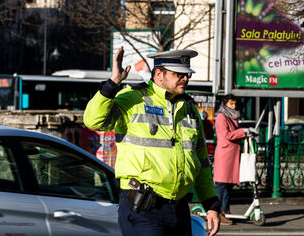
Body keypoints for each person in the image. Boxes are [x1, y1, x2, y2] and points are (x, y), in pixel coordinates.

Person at [84, 47, 220, 236]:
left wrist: (211, 204)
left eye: (187, 75)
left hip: (179, 207)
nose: (185, 79)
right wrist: (112, 83)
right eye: (178, 74)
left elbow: (202, 162)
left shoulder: (189, 109)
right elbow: (93, 120)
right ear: (158, 75)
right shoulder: (133, 99)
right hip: (143, 206)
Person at [212, 94, 257, 225]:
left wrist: (247, 132)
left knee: (228, 185)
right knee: (221, 185)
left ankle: (225, 210)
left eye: (235, 104)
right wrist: (243, 131)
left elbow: (234, 134)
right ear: (225, 104)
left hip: (231, 155)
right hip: (225, 155)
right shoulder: (221, 117)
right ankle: (218, 212)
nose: (234, 106)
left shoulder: (231, 117)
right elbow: (226, 135)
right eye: (231, 104)